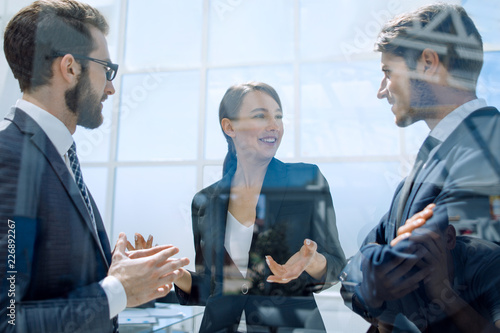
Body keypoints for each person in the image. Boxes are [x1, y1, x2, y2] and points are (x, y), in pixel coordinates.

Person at [0, 1, 189, 332]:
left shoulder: (55, 152)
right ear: (70, 68)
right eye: (106, 68)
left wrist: (111, 274)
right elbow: (7, 321)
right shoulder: (8, 156)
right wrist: (117, 291)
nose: (111, 88)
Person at [339, 3, 500, 332]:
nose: (382, 91)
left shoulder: (489, 149)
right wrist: (374, 271)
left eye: (388, 72)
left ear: (428, 63)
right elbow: (353, 279)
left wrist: (372, 264)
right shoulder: (427, 165)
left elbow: (414, 269)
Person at [173, 82, 346, 332]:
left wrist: (312, 262)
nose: (274, 125)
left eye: (278, 116)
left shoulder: (307, 180)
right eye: (260, 116)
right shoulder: (204, 201)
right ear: (229, 126)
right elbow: (213, 288)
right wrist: (176, 274)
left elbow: (336, 264)